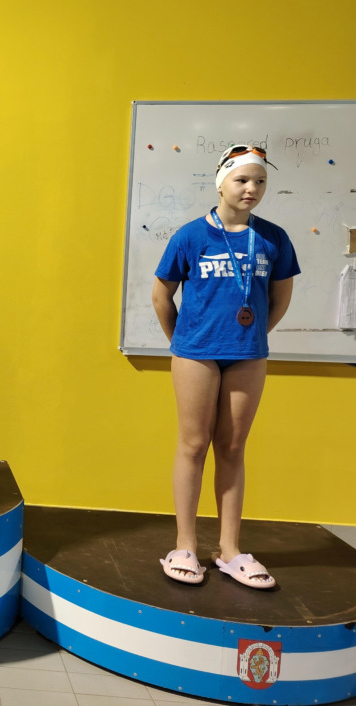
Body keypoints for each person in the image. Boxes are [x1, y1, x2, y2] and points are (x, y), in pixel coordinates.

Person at [152, 144, 299, 588]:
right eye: (242, 180)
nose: (251, 188)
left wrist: (251, 336)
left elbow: (280, 298)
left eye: (260, 181)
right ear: (221, 182)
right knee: (194, 445)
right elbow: (161, 295)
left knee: (232, 448)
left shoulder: (273, 238)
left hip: (247, 355)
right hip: (195, 353)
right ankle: (185, 546)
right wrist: (183, 342)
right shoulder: (190, 236)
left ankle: (230, 551)